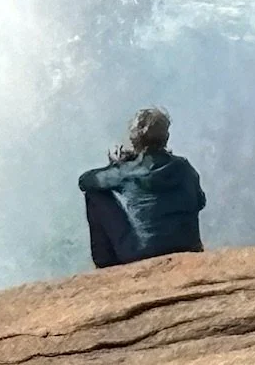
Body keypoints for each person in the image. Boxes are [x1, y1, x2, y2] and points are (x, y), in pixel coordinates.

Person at [77, 107, 206, 268]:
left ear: (133, 139)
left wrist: (116, 165)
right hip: (188, 245)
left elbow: (85, 181)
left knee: (94, 195)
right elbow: (200, 202)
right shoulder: (184, 166)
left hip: (143, 252)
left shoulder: (126, 171)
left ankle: (106, 265)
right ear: (166, 136)